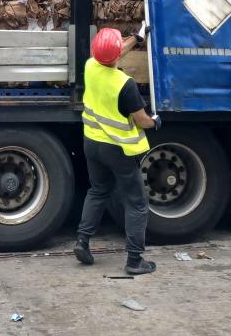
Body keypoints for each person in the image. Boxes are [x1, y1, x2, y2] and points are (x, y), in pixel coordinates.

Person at [74, 27, 162, 275]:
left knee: (98, 190)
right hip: (118, 149)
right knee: (136, 202)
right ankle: (134, 261)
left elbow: (111, 53)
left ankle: (82, 241)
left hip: (92, 142)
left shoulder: (90, 66)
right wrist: (156, 121)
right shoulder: (125, 84)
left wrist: (137, 37)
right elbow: (142, 120)